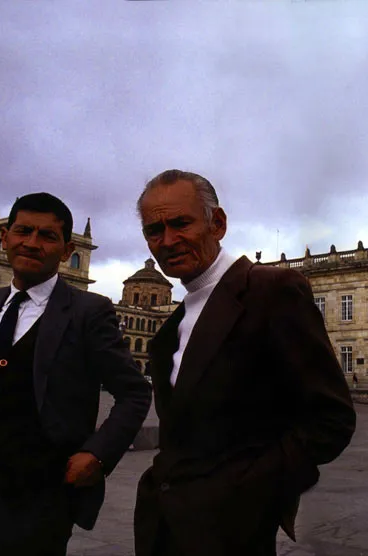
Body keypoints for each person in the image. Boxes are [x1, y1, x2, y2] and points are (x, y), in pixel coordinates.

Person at [133, 170, 356, 556]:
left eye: (181, 223)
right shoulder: (173, 325)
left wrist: (249, 493)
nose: (168, 240)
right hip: (163, 528)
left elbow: (330, 419)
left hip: (233, 533)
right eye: (154, 230)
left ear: (217, 223)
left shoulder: (272, 290)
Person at [0, 193, 152, 556]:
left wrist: (96, 455)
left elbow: (134, 393)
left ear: (66, 251)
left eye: (48, 236)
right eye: (24, 231)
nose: (32, 243)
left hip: (37, 501)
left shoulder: (89, 311)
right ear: (5, 237)